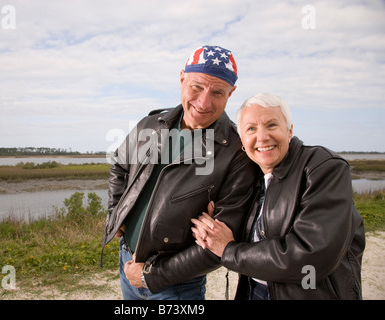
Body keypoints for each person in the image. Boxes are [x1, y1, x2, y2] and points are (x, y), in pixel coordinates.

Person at [101, 45, 259, 300]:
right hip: (127, 259)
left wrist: (151, 276)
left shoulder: (237, 154)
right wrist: (115, 212)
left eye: (217, 92)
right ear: (182, 78)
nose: (204, 102)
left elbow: (220, 245)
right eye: (197, 87)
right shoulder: (152, 124)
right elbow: (120, 165)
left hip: (176, 283)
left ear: (231, 93)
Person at [192, 93, 365, 299]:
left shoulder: (323, 167)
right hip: (253, 290)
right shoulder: (254, 175)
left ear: (289, 130)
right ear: (242, 140)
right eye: (251, 129)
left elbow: (310, 257)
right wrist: (215, 222)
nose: (263, 137)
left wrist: (229, 250)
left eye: (272, 125)